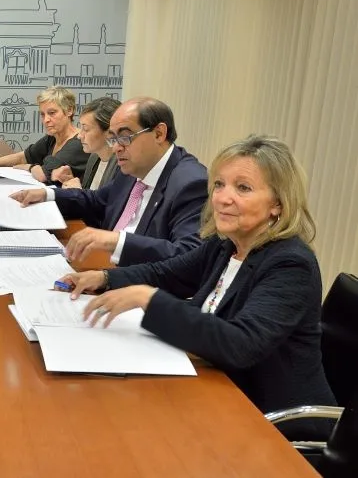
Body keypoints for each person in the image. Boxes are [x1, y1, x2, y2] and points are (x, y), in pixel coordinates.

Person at [58, 135, 335, 439]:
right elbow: (167, 274)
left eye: (242, 188)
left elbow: (241, 344)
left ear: (277, 205)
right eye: (219, 184)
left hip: (272, 421)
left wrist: (147, 299)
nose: (223, 198)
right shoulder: (225, 244)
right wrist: (104, 278)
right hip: (217, 388)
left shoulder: (290, 263)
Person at [12, 97, 207, 266]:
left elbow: (188, 255)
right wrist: (47, 194)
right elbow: (98, 200)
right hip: (104, 266)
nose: (116, 148)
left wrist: (116, 241)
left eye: (124, 137)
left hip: (140, 287)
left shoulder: (190, 182)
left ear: (159, 133)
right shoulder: (133, 166)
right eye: (112, 139)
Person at [0, 86, 88, 183]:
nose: (46, 120)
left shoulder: (78, 143)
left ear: (69, 111)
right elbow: (23, 157)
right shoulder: (52, 138)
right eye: (42, 114)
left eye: (52, 113)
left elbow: (42, 175)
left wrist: (29, 167)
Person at [49, 96, 120, 190]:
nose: (79, 136)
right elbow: (92, 197)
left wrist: (78, 191)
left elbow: (109, 203)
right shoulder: (93, 157)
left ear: (109, 132)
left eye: (86, 129)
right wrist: (72, 183)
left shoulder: (121, 166)